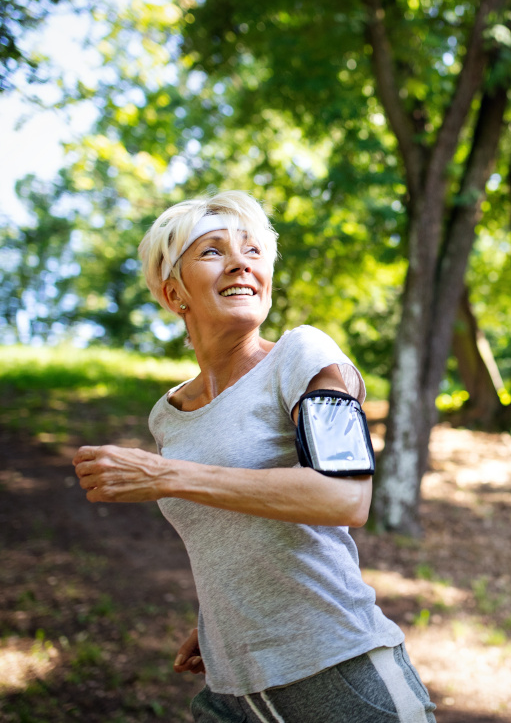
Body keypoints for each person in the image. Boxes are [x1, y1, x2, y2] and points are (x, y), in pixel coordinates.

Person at [72, 190, 436, 723]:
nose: (241, 261)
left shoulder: (304, 354)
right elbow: (231, 526)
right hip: (232, 687)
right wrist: (224, 614)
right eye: (213, 251)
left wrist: (165, 475)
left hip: (337, 669)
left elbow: (346, 495)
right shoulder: (168, 415)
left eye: (254, 251)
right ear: (176, 294)